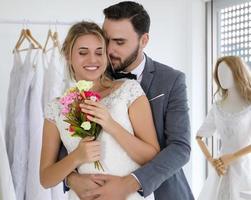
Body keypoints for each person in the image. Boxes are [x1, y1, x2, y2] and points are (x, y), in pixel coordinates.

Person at [66, 2, 194, 200]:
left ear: (143, 40)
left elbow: (180, 148)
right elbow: (65, 138)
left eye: (119, 42)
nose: (109, 50)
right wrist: (72, 179)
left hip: (164, 192)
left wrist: (129, 184)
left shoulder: (171, 80)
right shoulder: (92, 75)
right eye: (106, 40)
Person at [39, 21, 160, 200]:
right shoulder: (57, 107)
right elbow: (45, 178)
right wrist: (76, 158)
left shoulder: (128, 90)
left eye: (99, 52)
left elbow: (152, 157)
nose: (92, 60)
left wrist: (110, 124)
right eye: (82, 52)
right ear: (68, 55)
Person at [196, 56, 251, 200]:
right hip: (221, 168)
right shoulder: (217, 107)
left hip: (245, 168)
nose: (221, 77)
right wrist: (211, 160)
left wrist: (232, 157)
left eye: (225, 72)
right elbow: (199, 136)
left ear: (237, 72)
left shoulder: (249, 106)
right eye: (219, 73)